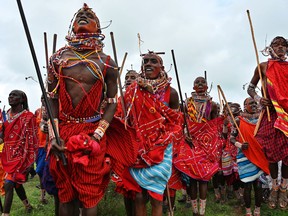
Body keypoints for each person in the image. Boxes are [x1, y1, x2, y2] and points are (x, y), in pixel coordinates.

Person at [47, 3, 120, 216]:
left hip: (93, 131)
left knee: (89, 193)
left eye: (88, 15)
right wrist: (54, 135)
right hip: (63, 130)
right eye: (79, 14)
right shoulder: (58, 59)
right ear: (72, 25)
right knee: (65, 192)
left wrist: (97, 136)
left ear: (98, 28)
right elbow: (51, 98)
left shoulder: (107, 63)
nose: (83, 15)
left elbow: (112, 101)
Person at [113, 51, 182, 216]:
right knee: (138, 195)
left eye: (153, 61)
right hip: (138, 147)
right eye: (145, 62)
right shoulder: (132, 90)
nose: (148, 64)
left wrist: (166, 138)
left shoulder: (170, 93)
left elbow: (176, 122)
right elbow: (122, 114)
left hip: (161, 147)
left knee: (157, 195)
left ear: (162, 67)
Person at [247, 36, 288, 210]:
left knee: (287, 154)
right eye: (276, 45)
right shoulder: (263, 66)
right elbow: (250, 87)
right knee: (271, 153)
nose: (280, 47)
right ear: (270, 48)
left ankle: (284, 188)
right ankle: (274, 186)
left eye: (283, 45)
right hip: (270, 114)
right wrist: (258, 98)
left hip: (286, 114)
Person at [173, 76, 223, 216]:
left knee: (204, 178)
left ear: (207, 86)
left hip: (206, 145)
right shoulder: (186, 104)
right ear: (193, 86)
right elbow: (180, 123)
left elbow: (214, 126)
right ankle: (195, 211)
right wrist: (185, 133)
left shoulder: (212, 105)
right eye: (197, 82)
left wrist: (213, 143)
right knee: (193, 179)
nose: (200, 84)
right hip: (190, 143)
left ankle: (202, 212)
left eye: (203, 82)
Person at [0, 90, 38, 215]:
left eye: (14, 95)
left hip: (22, 156)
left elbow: (33, 140)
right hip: (7, 154)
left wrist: (30, 163)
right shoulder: (5, 116)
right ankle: (27, 205)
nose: (10, 97)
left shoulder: (29, 117)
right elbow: (2, 136)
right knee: (16, 184)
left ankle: (5, 214)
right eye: (9, 95)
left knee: (8, 184)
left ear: (22, 99)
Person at [230, 98, 270, 216]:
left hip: (260, 155)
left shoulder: (262, 118)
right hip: (245, 156)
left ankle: (257, 210)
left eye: (255, 103)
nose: (254, 105)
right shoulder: (238, 120)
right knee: (247, 185)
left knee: (258, 186)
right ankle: (248, 211)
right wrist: (240, 145)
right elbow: (231, 138)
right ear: (245, 105)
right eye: (250, 103)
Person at [34, 95, 48, 204]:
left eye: (45, 98)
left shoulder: (52, 110)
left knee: (40, 169)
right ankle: (43, 195)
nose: (43, 100)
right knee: (39, 172)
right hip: (38, 146)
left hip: (48, 145)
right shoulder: (37, 111)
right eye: (42, 98)